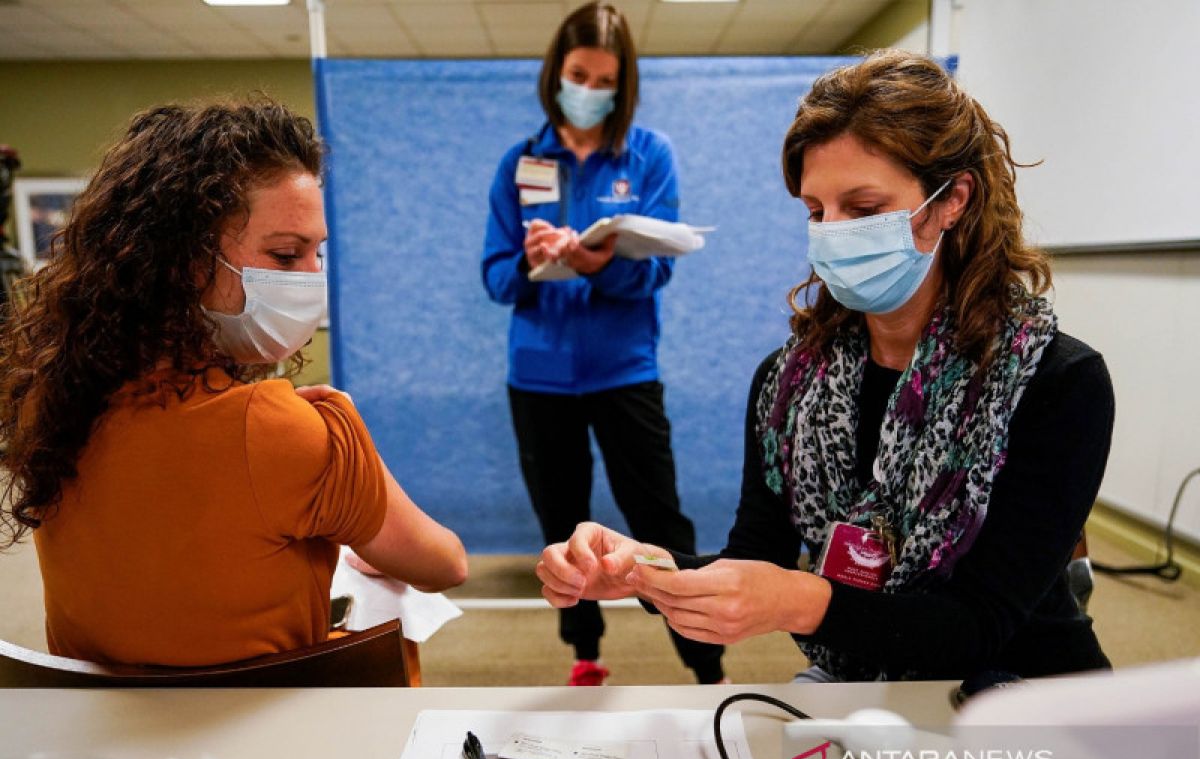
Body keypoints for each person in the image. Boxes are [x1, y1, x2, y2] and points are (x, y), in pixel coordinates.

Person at [535, 50, 1114, 682]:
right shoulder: (789, 383)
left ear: (954, 201)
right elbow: (755, 558)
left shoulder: (1055, 382)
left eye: (863, 210)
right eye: (816, 211)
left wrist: (801, 599)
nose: (832, 234)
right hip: (860, 684)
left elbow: (976, 626)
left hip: (1021, 692)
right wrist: (640, 568)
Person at [0, 99, 468, 667]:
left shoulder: (51, 398)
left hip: (99, 735)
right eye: (286, 255)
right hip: (262, 736)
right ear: (184, 259)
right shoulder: (287, 431)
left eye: (318, 254)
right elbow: (445, 565)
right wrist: (347, 431)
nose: (311, 280)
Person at [481, 2, 724, 686]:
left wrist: (600, 263)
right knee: (561, 527)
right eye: (576, 73)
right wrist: (534, 262)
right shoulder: (521, 162)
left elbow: (661, 266)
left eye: (602, 78)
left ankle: (708, 668)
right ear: (555, 73)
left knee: (661, 523)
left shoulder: (649, 155)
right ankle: (584, 656)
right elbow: (494, 277)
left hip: (625, 372)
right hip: (539, 379)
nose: (586, 89)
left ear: (625, 84)